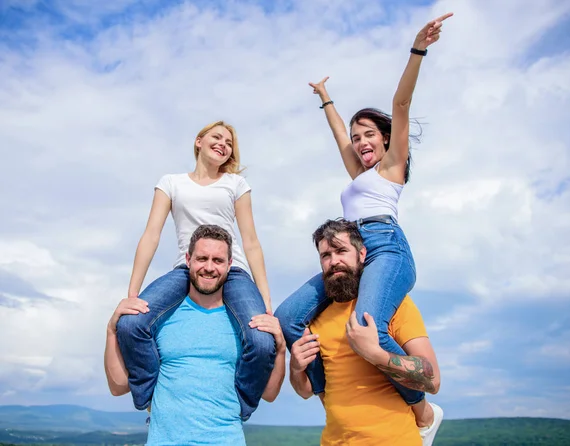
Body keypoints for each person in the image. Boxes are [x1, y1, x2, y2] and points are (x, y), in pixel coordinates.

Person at [275, 12, 452, 431]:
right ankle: (326, 395)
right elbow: (338, 136)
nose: (360, 142)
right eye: (357, 138)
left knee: (364, 326)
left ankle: (421, 409)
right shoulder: (359, 175)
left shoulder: (393, 166)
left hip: (386, 247)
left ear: (386, 138)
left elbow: (401, 104)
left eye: (368, 134)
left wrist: (418, 49)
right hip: (352, 249)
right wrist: (324, 97)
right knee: (287, 318)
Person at [116, 121, 276, 421]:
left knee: (262, 341)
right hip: (186, 268)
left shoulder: (236, 185)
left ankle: (239, 405)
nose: (223, 144)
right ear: (199, 141)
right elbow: (151, 234)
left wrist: (266, 299)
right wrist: (132, 294)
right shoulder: (171, 183)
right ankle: (150, 397)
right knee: (129, 325)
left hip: (233, 270)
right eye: (217, 137)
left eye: (229, 142)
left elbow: (251, 241)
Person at [105, 225, 286, 445]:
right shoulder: (158, 319)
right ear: (188, 259)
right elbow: (118, 386)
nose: (209, 267)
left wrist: (280, 350)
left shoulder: (247, 325)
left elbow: (269, 394)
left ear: (230, 265)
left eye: (218, 260)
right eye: (202, 258)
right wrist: (112, 330)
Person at [289, 219, 442, 445]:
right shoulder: (315, 317)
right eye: (326, 255)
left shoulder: (396, 306)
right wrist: (295, 368)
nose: (334, 261)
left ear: (362, 254)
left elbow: (433, 381)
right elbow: (305, 391)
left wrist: (376, 354)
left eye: (341, 251)